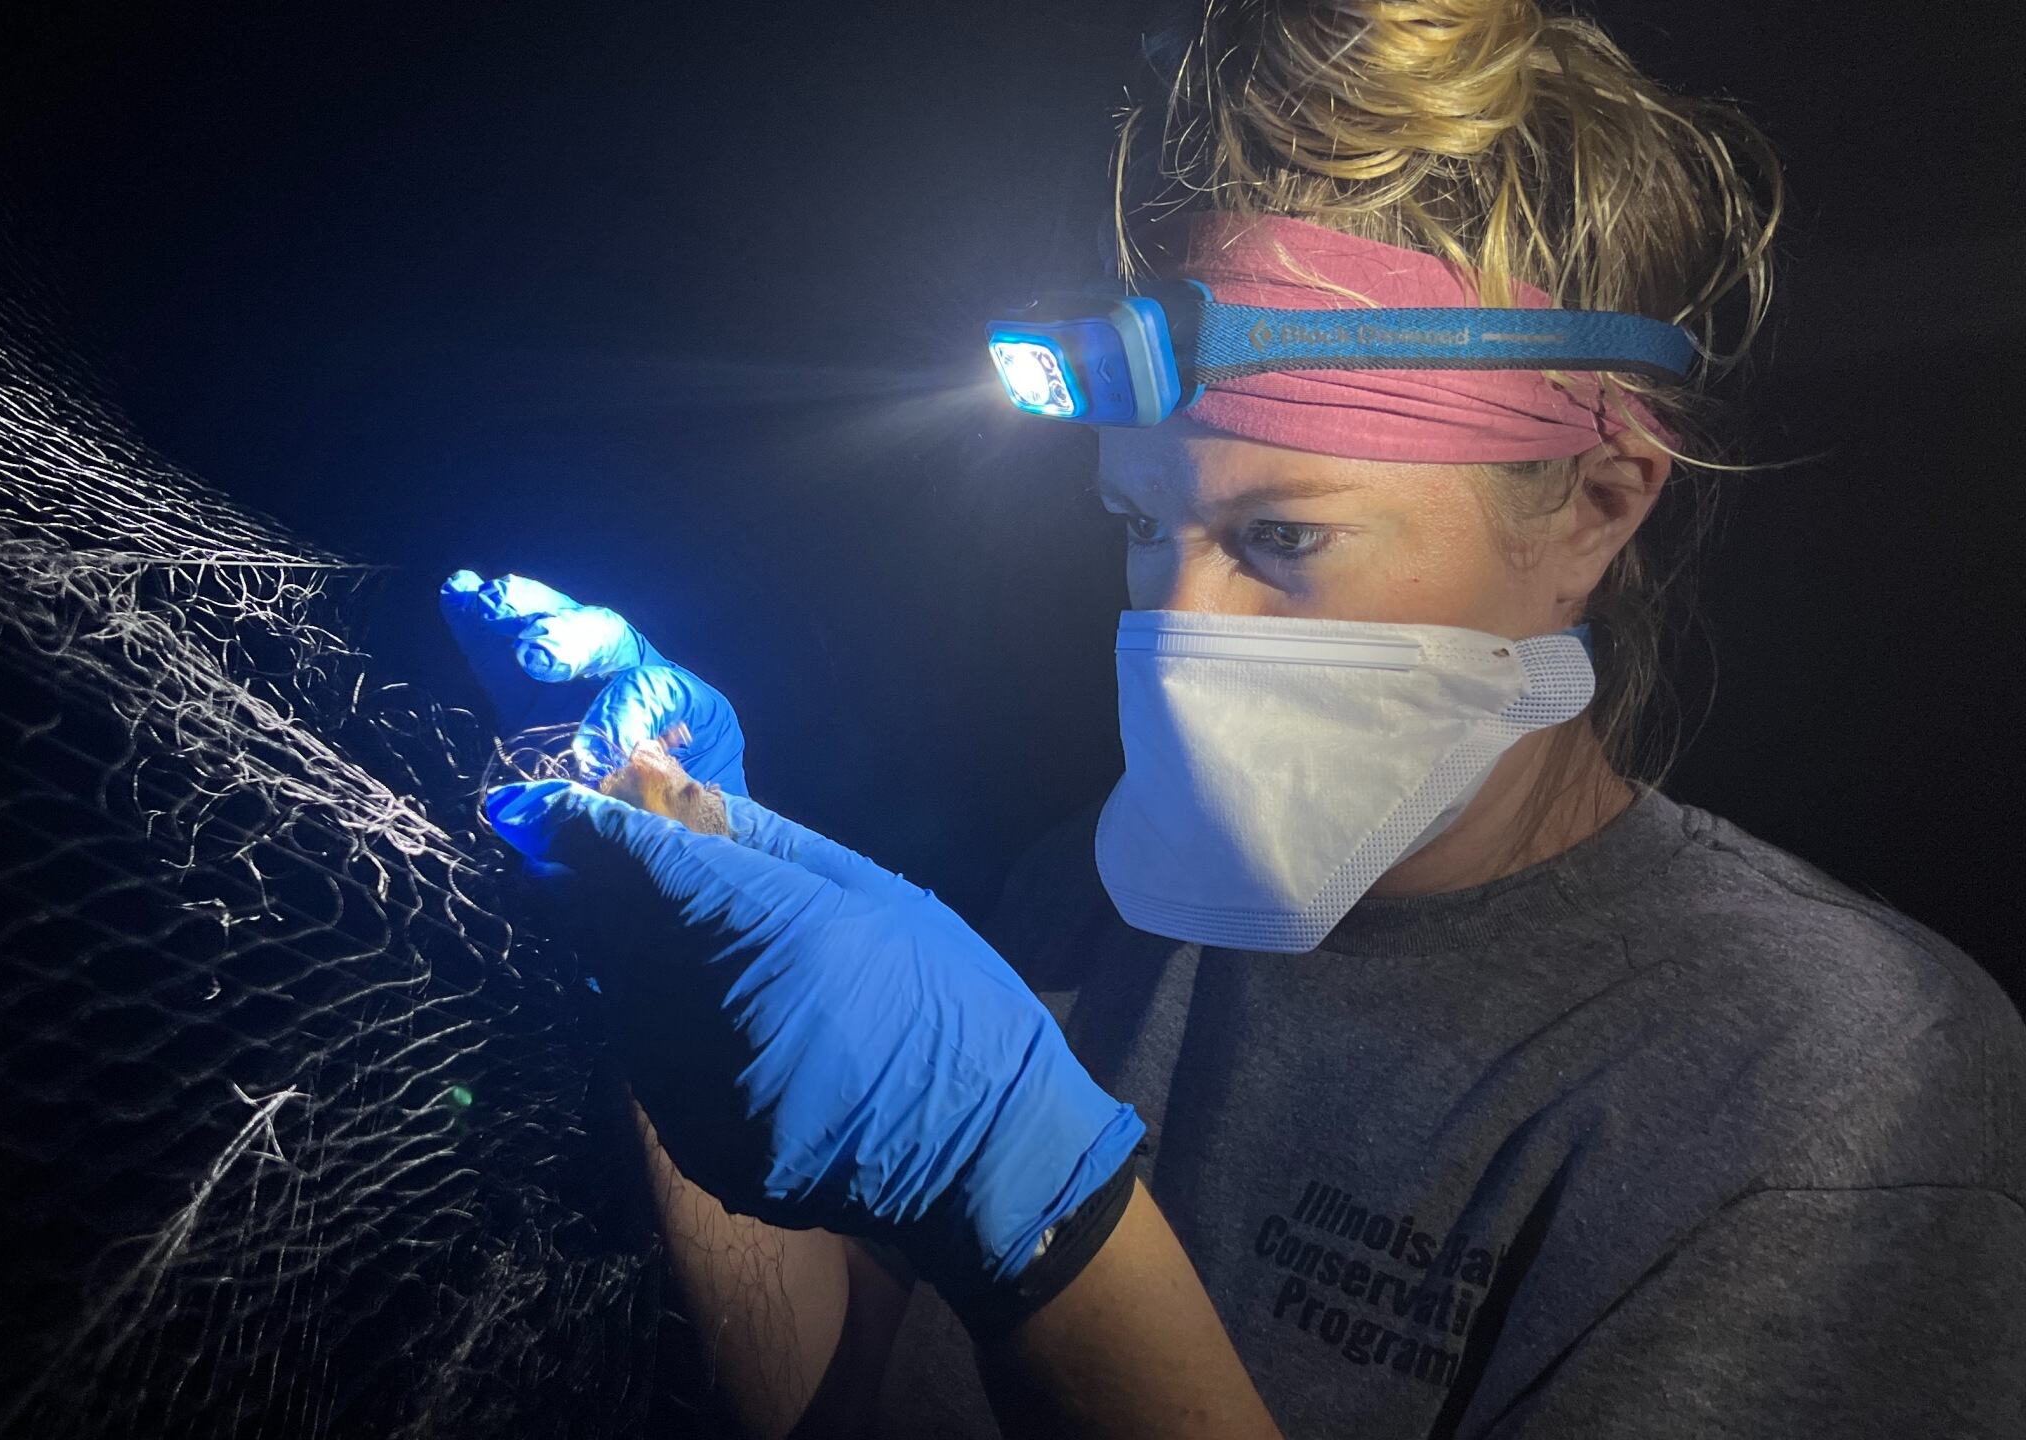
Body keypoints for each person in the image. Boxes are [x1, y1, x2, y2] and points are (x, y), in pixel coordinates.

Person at [443, 2, 2026, 1435]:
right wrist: (668, 941)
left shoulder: (1829, 1083)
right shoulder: (1109, 898)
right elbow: (873, 1400)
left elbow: (1020, 1241)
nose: (1178, 629)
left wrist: (1045, 1217)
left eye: (1283, 536)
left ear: (1594, 508)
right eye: (1144, 525)